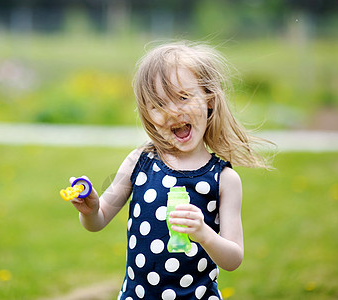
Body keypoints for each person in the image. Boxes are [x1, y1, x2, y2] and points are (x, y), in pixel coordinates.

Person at [69, 41, 270, 300]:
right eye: (159, 105)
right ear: (147, 114)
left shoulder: (224, 180)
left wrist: (204, 234)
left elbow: (233, 258)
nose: (173, 112)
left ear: (209, 99)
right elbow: (98, 221)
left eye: (183, 97)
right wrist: (90, 210)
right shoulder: (139, 162)